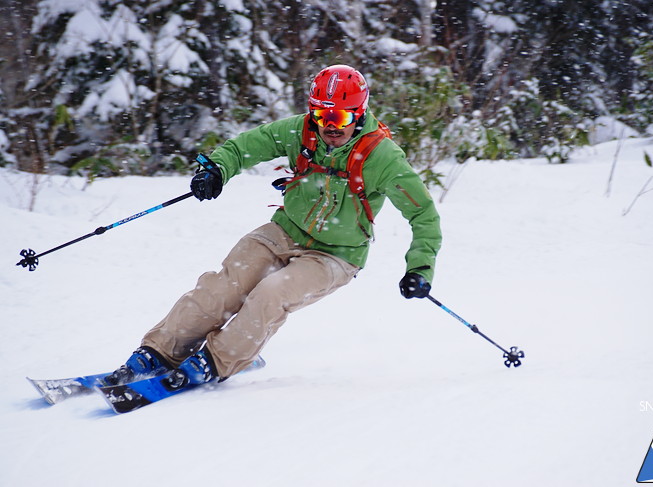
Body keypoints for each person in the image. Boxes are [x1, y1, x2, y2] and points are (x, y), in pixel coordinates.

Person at [102, 64, 442, 389]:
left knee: (271, 293)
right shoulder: (301, 131)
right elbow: (246, 146)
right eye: (321, 114)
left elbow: (424, 215)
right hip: (284, 230)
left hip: (335, 255)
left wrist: (420, 269)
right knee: (224, 286)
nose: (329, 125)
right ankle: (158, 352)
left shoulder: (383, 158)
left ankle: (218, 360)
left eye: (339, 116)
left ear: (359, 113)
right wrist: (217, 169)